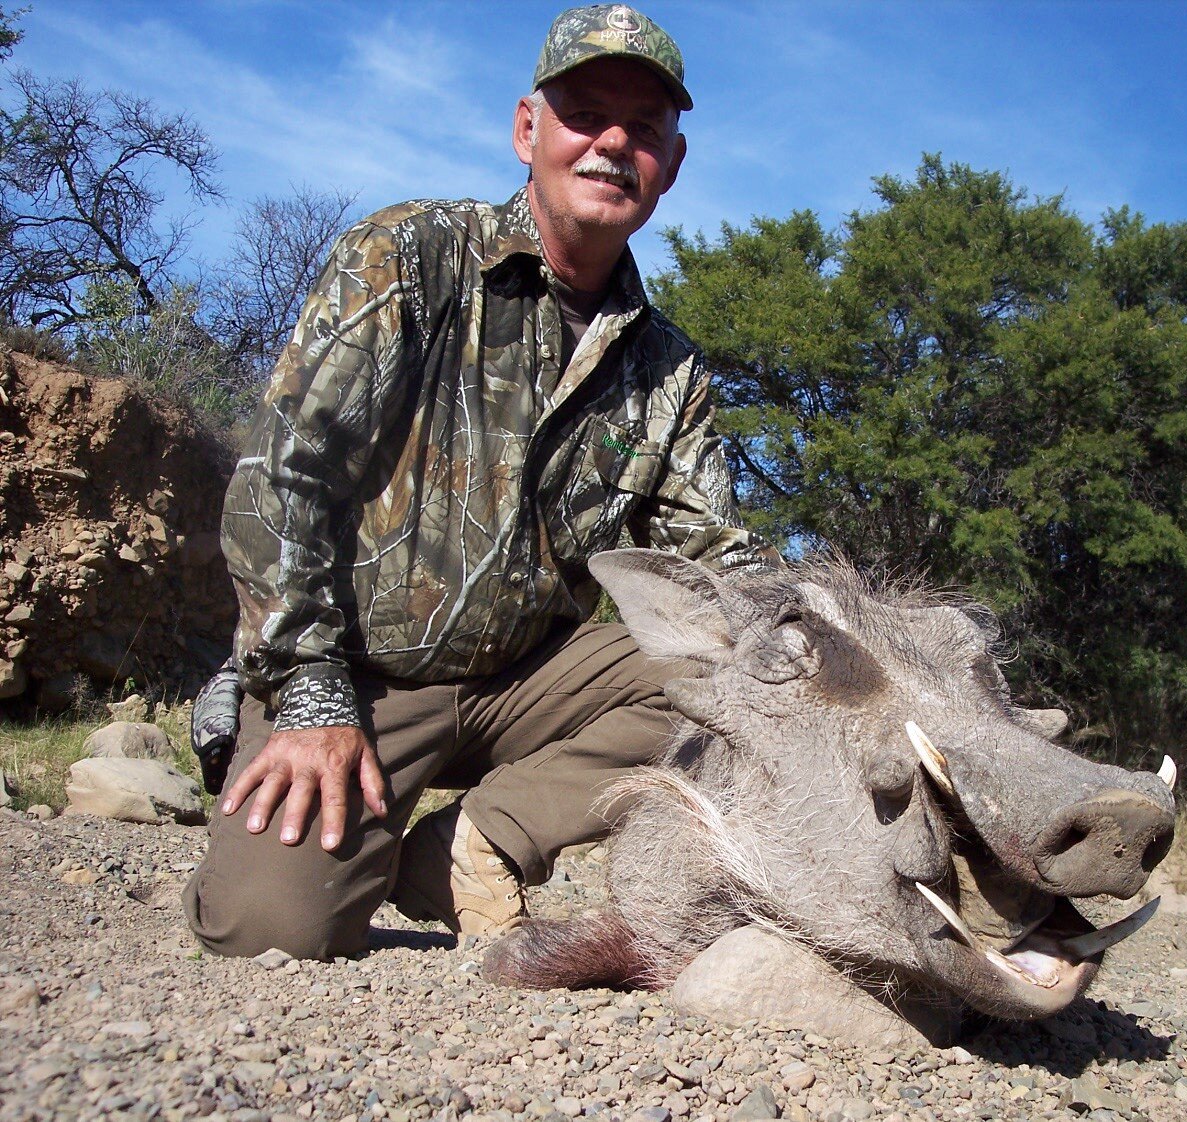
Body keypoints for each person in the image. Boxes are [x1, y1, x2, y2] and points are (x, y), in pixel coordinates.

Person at [183, 3, 776, 960]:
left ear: (673, 163)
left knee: (741, 674)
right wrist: (312, 692)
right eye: (586, 114)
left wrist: (845, 633)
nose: (614, 143)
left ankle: (478, 841)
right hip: (358, 673)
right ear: (526, 130)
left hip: (525, 684)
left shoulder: (673, 371)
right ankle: (249, 711)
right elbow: (282, 483)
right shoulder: (406, 258)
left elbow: (722, 569)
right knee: (270, 928)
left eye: (645, 129)